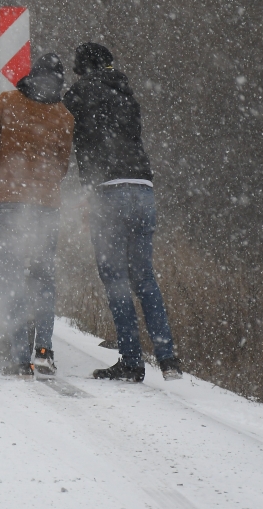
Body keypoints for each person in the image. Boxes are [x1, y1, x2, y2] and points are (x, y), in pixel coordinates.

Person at [63, 43, 182, 382]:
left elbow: (62, 132)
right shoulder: (127, 93)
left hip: (109, 192)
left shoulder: (79, 93)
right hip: (143, 189)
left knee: (115, 279)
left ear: (83, 68)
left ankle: (131, 362)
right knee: (144, 277)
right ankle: (168, 357)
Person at [0, 53, 74, 378]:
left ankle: (19, 359)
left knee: (13, 279)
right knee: (43, 278)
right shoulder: (63, 115)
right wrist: (43, 188)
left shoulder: (6, 103)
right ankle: (44, 350)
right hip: (47, 207)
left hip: (9, 203)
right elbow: (62, 165)